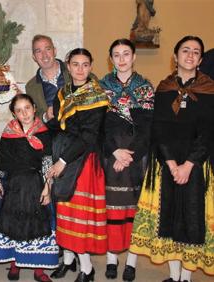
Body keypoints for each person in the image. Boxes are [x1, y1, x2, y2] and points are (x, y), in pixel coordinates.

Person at [130, 36, 214, 282]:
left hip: (197, 162)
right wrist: (170, 163)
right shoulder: (164, 87)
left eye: (196, 52)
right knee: (168, 218)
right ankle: (174, 275)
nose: (190, 55)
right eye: (185, 50)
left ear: (200, 60)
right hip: (166, 162)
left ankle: (186, 278)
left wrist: (189, 164)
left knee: (191, 218)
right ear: (175, 57)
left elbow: (209, 131)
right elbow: (158, 129)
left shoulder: (210, 89)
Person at [47, 48, 109, 282]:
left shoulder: (97, 95)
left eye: (85, 64)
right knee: (64, 211)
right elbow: (59, 126)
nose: (80, 69)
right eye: (75, 64)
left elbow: (89, 135)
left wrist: (63, 161)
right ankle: (70, 260)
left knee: (78, 214)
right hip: (64, 152)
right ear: (68, 66)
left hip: (83, 159)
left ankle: (87, 268)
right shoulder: (62, 93)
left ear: (91, 66)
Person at [0, 94, 59, 282]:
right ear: (14, 113)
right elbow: (1, 159)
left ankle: (39, 269)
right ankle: (14, 263)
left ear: (34, 107)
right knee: (13, 223)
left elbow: (47, 161)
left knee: (38, 224)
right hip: (14, 185)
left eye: (27, 108)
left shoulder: (43, 132)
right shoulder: (9, 132)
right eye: (19, 110)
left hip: (36, 184)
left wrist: (47, 188)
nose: (24, 113)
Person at [99, 38, 154, 282]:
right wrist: (114, 152)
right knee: (110, 207)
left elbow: (148, 128)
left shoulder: (145, 87)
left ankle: (131, 261)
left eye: (126, 54)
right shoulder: (101, 87)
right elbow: (98, 125)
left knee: (134, 208)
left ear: (134, 57)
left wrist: (129, 154)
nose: (121, 59)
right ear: (111, 58)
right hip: (109, 155)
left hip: (136, 156)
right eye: (116, 55)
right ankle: (112, 259)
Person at [26, 34, 71, 121]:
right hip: (54, 133)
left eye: (48, 49)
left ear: (55, 51)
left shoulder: (74, 69)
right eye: (38, 51)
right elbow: (32, 116)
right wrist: (45, 116)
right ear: (34, 57)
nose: (44, 55)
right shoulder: (31, 86)